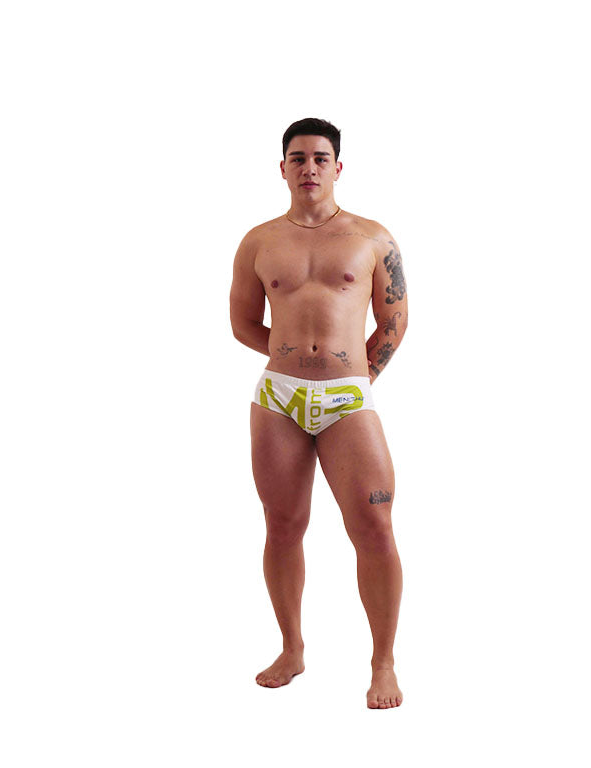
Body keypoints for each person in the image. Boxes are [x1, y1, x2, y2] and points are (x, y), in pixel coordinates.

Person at [229, 117, 408, 709]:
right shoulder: (258, 241)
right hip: (278, 399)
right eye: (298, 158)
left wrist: (356, 374)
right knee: (283, 526)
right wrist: (292, 355)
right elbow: (242, 322)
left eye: (320, 158)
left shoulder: (372, 237)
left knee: (375, 527)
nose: (309, 168)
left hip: (347, 398)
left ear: (338, 167)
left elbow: (395, 319)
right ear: (282, 168)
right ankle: (292, 648)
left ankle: (383, 663)